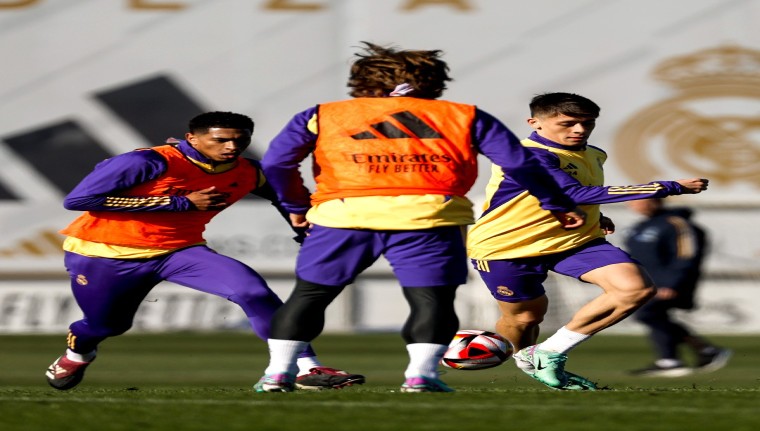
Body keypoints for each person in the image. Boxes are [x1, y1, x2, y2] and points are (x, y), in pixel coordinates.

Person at [254, 42, 586, 393]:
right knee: (431, 300)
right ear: (435, 81)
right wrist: (556, 203)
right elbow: (518, 162)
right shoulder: (465, 116)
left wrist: (295, 205)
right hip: (428, 217)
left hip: (343, 215)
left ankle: (278, 373)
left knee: (310, 296)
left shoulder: (323, 114)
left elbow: (276, 163)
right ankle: (421, 376)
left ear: (362, 80)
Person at [45, 111, 364, 391]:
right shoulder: (147, 161)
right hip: (105, 254)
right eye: (221, 140)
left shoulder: (250, 171)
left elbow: (285, 197)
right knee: (107, 326)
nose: (232, 147)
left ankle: (306, 368)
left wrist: (305, 230)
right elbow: (79, 200)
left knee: (252, 291)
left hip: (180, 253)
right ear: (192, 139)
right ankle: (77, 354)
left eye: (240, 140)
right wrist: (179, 202)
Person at [467, 92, 709, 390]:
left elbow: (573, 192)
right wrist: (666, 187)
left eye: (588, 123)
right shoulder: (528, 155)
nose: (580, 130)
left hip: (574, 240)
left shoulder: (594, 153)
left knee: (635, 289)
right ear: (535, 123)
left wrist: (597, 215)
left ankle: (549, 352)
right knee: (525, 318)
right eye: (568, 123)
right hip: (507, 246)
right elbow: (572, 192)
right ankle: (526, 362)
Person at [624, 198, 731, 376]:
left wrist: (671, 283)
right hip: (646, 283)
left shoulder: (677, 224)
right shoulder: (640, 226)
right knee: (656, 316)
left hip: (669, 283)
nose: (632, 205)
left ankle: (696, 352)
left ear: (655, 201)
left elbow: (686, 256)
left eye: (638, 200)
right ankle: (677, 358)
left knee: (648, 314)